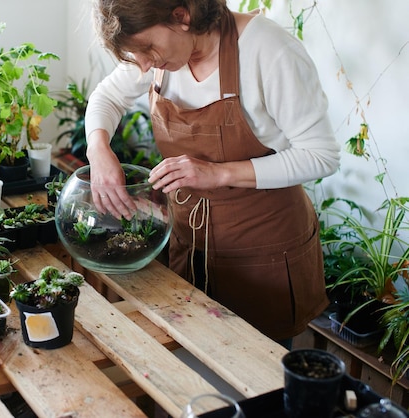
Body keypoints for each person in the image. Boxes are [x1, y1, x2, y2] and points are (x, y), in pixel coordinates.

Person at [84, 0, 341, 344]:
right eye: (135, 56)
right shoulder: (159, 55)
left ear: (181, 16)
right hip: (192, 245)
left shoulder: (267, 50)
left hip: (263, 251)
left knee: (253, 380)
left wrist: (218, 173)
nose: (144, 64)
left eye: (147, 49)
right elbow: (106, 97)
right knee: (190, 365)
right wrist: (98, 149)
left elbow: (321, 155)